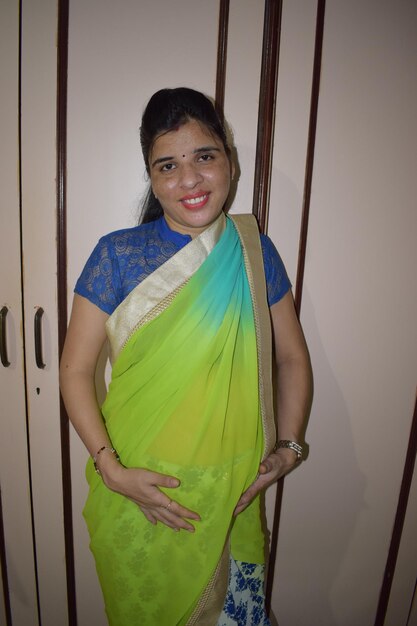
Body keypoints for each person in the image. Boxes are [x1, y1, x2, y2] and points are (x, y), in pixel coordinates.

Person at [60, 87, 313, 626]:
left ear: (230, 160)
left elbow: (291, 358)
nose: (190, 180)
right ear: (151, 178)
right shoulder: (118, 254)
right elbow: (76, 370)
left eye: (205, 156)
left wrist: (289, 447)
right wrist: (112, 470)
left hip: (231, 491)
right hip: (134, 487)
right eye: (167, 165)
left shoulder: (252, 251)